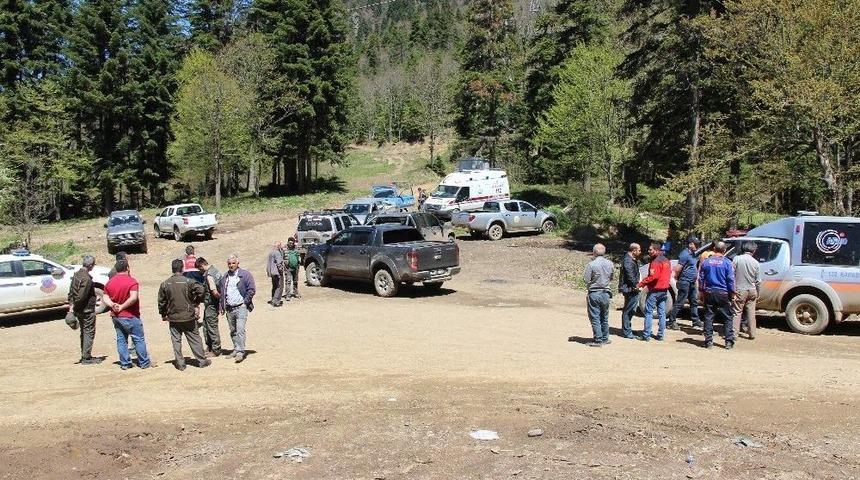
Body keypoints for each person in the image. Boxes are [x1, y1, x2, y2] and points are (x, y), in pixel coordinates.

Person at [159, 259, 210, 371]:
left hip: (173, 317)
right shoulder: (188, 281)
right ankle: (202, 361)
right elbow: (202, 290)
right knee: (195, 339)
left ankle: (180, 364)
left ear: (172, 269)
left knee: (176, 341)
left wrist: (163, 314)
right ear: (182, 269)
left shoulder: (165, 284)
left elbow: (161, 301)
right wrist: (195, 302)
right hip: (188, 316)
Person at [102, 259, 151, 369]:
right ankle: (144, 362)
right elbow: (133, 298)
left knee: (121, 339)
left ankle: (125, 363)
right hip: (130, 315)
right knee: (138, 339)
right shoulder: (131, 281)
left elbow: (105, 297)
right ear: (128, 268)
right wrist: (122, 306)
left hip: (116, 316)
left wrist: (112, 305)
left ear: (116, 269)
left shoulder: (110, 282)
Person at [218, 254, 256, 363]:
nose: (231, 265)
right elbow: (222, 293)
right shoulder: (225, 277)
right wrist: (222, 306)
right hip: (229, 308)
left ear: (238, 263)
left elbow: (251, 289)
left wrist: (245, 302)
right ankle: (236, 348)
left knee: (240, 330)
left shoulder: (245, 274)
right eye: (229, 263)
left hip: (241, 307)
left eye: (233, 263)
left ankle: (240, 351)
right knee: (233, 330)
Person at [699, 241, 736, 349]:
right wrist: (732, 293)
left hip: (709, 292)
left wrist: (701, 291)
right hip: (723, 293)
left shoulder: (706, 262)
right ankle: (728, 342)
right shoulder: (727, 263)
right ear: (724, 250)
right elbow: (730, 280)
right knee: (728, 317)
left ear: (714, 249)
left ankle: (708, 341)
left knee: (709, 316)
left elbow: (701, 278)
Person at [68, 255, 101, 365]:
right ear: (90, 265)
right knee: (89, 332)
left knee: (84, 332)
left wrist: (72, 306)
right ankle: (86, 357)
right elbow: (81, 297)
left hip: (80, 310)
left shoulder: (76, 274)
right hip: (86, 310)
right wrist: (75, 308)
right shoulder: (87, 278)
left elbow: (71, 292)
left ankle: (85, 354)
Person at [637, 242, 672, 341]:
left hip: (655, 290)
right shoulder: (666, 260)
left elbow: (653, 277)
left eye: (650, 250)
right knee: (662, 313)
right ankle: (660, 335)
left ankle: (646, 335)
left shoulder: (655, 262)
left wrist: (640, 284)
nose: (648, 251)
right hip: (664, 290)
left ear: (656, 250)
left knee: (648, 312)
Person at [582, 243, 614, 347]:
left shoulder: (592, 265)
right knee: (604, 316)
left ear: (594, 252)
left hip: (594, 293)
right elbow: (611, 277)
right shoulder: (610, 264)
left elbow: (586, 279)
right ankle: (605, 338)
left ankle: (598, 339)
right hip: (606, 293)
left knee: (595, 316)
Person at [668, 237, 703, 330]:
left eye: (698, 244)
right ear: (690, 244)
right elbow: (678, 268)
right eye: (696, 244)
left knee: (693, 302)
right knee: (680, 302)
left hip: (692, 282)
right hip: (685, 281)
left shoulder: (693, 254)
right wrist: (677, 278)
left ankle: (695, 321)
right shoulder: (684, 254)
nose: (697, 246)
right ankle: (671, 321)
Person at [732, 241, 762, 340]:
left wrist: (732, 289)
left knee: (737, 312)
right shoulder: (756, 262)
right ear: (754, 250)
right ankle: (752, 334)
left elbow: (731, 274)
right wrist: (758, 292)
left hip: (740, 290)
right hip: (752, 290)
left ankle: (734, 334)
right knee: (751, 312)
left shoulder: (737, 259)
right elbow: (758, 281)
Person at [196, 257, 222, 356]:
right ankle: (210, 347)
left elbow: (214, 292)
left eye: (199, 268)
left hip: (211, 305)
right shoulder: (215, 270)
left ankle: (216, 350)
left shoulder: (209, 275)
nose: (200, 271)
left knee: (211, 327)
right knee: (206, 326)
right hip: (211, 304)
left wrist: (220, 300)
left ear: (202, 266)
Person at [618, 243, 641, 339]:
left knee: (631, 310)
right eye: (639, 250)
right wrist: (635, 286)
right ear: (634, 251)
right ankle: (627, 332)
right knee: (628, 310)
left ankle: (627, 329)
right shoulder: (628, 260)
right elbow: (629, 275)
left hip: (631, 288)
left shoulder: (631, 259)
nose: (640, 252)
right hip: (629, 289)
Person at [266, 242, 285, 307]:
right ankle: (276, 301)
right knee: (279, 287)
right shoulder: (277, 253)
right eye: (281, 245)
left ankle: (273, 299)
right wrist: (281, 271)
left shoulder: (271, 252)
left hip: (272, 272)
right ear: (278, 246)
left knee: (274, 286)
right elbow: (279, 263)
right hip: (277, 273)